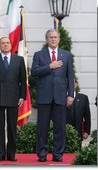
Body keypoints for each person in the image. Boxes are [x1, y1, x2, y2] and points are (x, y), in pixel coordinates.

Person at [31, 29, 74, 162]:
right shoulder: (39, 55)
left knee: (60, 128)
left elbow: (70, 77)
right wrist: (50, 66)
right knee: (42, 127)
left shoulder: (66, 55)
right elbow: (34, 72)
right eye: (51, 37)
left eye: (55, 37)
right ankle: (42, 154)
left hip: (60, 96)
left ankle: (58, 154)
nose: (53, 39)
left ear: (59, 39)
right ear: (47, 39)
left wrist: (70, 95)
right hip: (44, 96)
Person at [0, 37, 27, 161]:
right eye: (2, 43)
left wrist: (22, 96)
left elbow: (23, 80)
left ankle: (11, 154)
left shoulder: (19, 60)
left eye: (7, 43)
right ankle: (0, 154)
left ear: (11, 45)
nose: (5, 45)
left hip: (14, 97)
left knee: (12, 127)